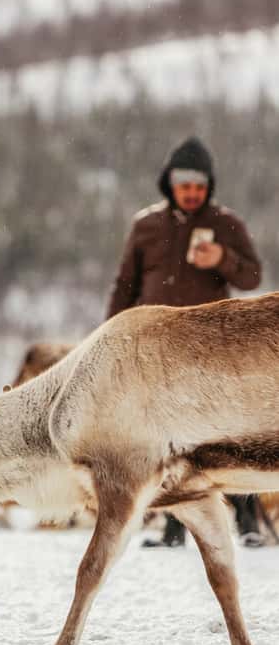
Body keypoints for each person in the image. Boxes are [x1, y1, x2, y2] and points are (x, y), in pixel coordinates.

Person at [106, 136, 263, 549]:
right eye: (184, 185)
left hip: (212, 351)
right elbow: (125, 286)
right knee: (169, 441)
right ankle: (174, 528)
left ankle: (247, 522)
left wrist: (222, 259)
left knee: (225, 438)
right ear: (170, 184)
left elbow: (253, 277)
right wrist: (110, 341)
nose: (192, 193)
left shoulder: (227, 223)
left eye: (198, 186)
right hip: (157, 353)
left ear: (208, 186)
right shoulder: (146, 225)